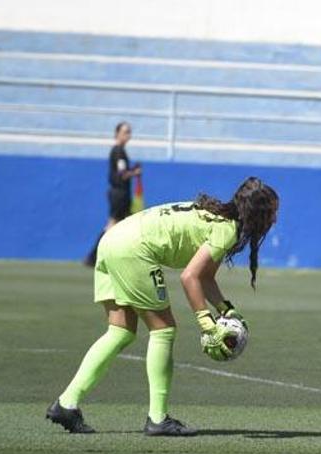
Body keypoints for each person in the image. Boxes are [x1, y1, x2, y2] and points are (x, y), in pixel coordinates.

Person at [47, 177, 279, 436]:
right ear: (258, 214)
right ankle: (158, 419)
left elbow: (205, 276)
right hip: (135, 250)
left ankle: (66, 404)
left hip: (113, 240)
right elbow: (189, 277)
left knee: (120, 332)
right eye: (272, 213)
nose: (274, 220)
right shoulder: (227, 229)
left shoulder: (215, 216)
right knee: (164, 330)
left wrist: (226, 309)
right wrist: (205, 322)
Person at [85, 122, 142, 267]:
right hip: (119, 193)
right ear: (117, 133)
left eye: (129, 132)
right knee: (112, 224)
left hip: (121, 193)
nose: (128, 135)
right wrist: (135, 172)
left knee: (125, 224)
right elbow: (121, 175)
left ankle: (123, 256)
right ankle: (93, 256)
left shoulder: (120, 151)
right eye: (125, 132)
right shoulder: (118, 151)